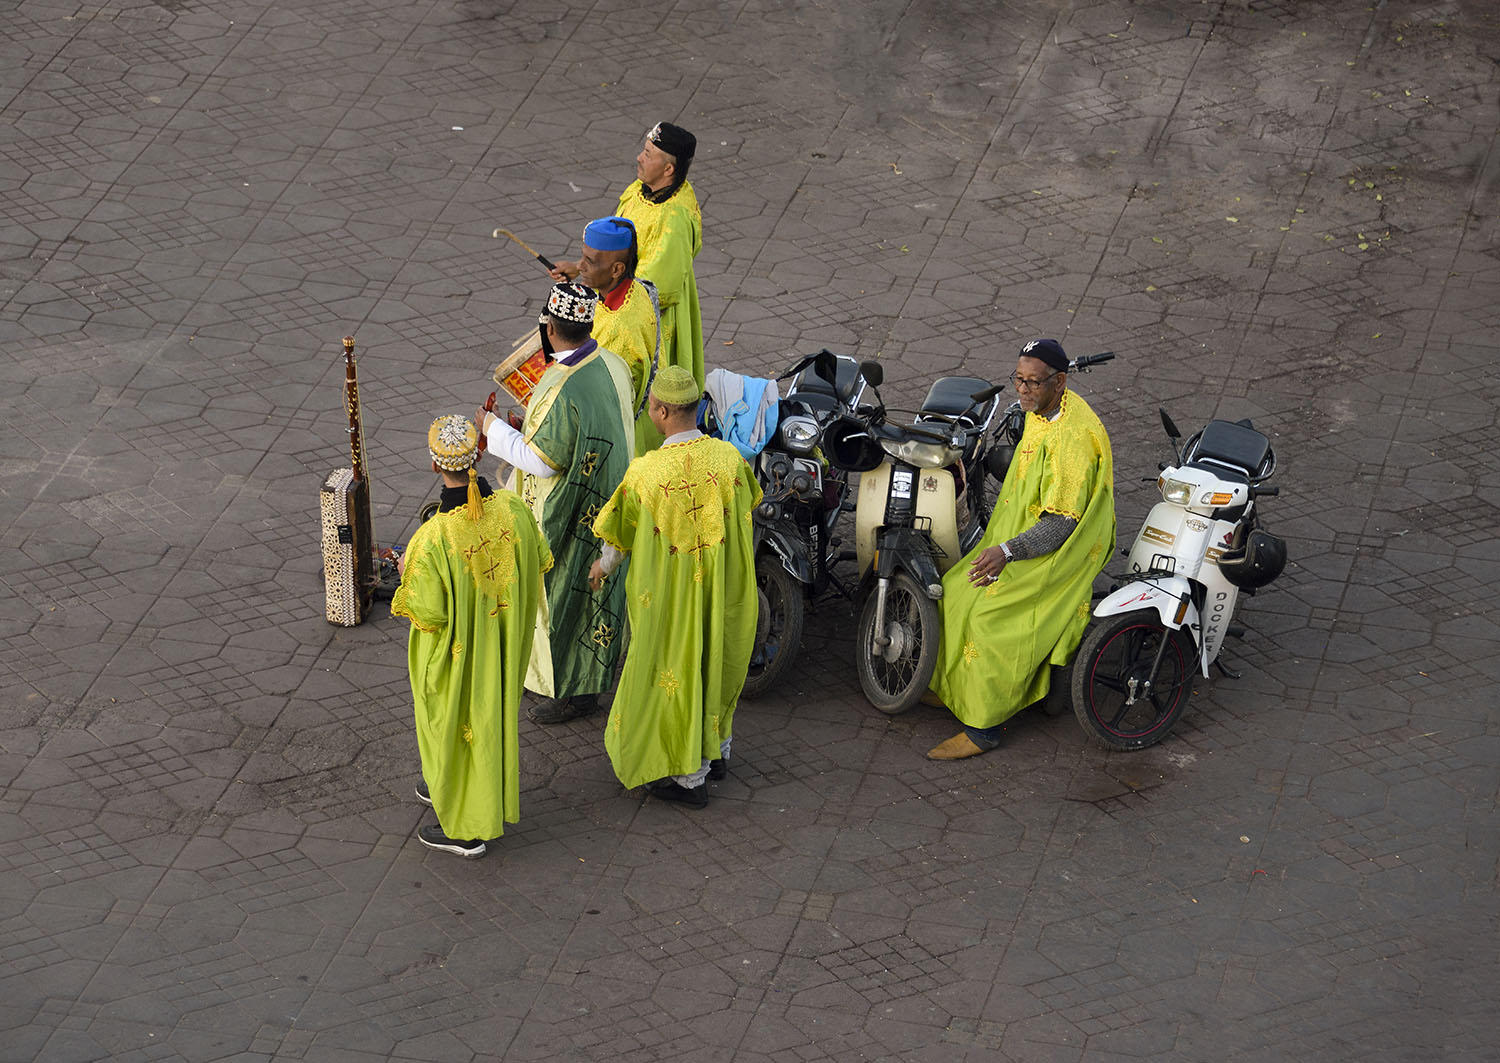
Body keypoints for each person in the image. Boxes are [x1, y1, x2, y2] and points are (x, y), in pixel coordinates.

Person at [926, 338, 1116, 760]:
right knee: (955, 592)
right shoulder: (1044, 408)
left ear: (1060, 381)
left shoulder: (1074, 440)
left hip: (1059, 554)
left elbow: (1062, 524)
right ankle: (954, 686)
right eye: (1019, 380)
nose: (1024, 390)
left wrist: (1007, 552)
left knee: (991, 622)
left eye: (1034, 382)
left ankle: (984, 727)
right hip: (1020, 539)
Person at [587, 366, 761, 808]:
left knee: (673, 672)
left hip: (668, 598)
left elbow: (620, 536)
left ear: (661, 411)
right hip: (723, 589)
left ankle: (688, 776)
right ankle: (716, 751)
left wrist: (601, 567)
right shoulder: (730, 460)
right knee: (715, 659)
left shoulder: (646, 473)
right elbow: (748, 508)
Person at [391, 415, 552, 857]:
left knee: (455, 716)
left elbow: (428, 610)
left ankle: (468, 829)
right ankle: (450, 782)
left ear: (434, 466)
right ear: (477, 457)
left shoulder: (432, 538)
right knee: (485, 718)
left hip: (460, 652)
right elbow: (537, 559)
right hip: (500, 644)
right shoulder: (513, 510)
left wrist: (407, 575)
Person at [480, 282, 635, 725]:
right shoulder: (612, 362)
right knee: (597, 600)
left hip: (570, 512)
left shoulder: (563, 384)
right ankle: (589, 684)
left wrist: (491, 429)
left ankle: (566, 690)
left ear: (548, 329)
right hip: (608, 499)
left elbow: (541, 461)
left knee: (563, 599)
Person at [551, 121, 703, 431]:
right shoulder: (638, 191)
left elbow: (657, 287)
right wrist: (583, 269)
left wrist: (593, 281)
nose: (639, 158)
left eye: (648, 154)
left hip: (648, 322)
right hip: (613, 298)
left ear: (669, 169)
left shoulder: (675, 217)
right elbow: (612, 251)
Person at [571, 215, 662, 454]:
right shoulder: (638, 288)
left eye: (589, 261)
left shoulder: (620, 330)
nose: (580, 266)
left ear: (616, 269)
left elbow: (601, 404)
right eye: (582, 257)